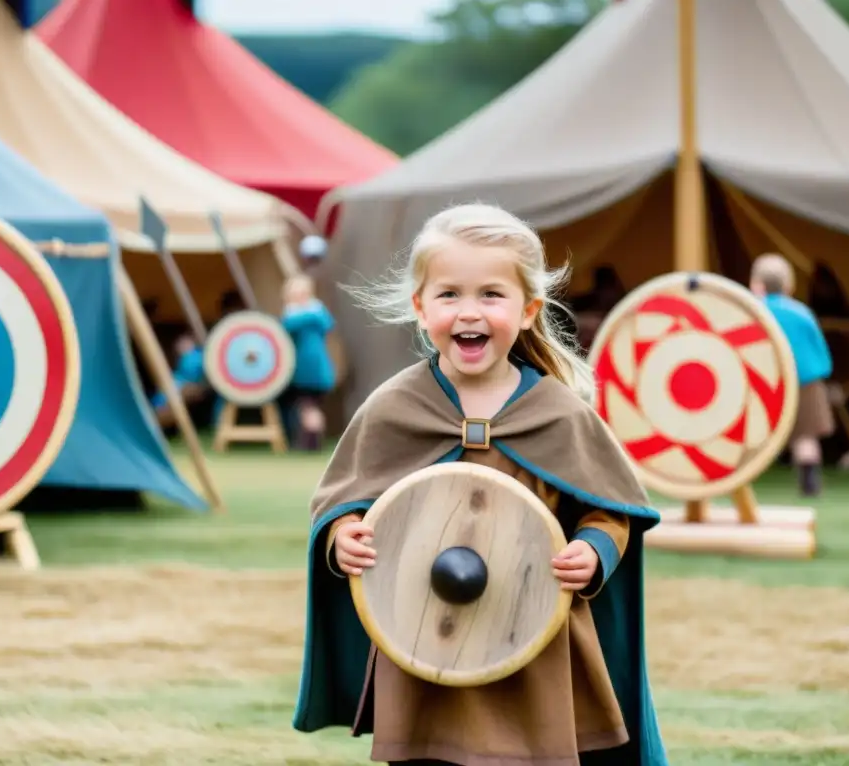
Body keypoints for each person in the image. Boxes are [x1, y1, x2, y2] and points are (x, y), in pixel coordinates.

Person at [292, 203, 669, 766]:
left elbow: (609, 512)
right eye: (449, 295)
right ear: (421, 308)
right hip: (423, 637)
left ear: (527, 310)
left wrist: (592, 552)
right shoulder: (395, 409)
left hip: (533, 638)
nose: (470, 311)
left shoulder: (558, 413)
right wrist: (343, 535)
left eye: (492, 295)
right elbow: (346, 499)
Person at [749, 254, 835, 496]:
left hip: (764, 384)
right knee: (805, 436)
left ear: (757, 285)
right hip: (806, 381)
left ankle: (745, 479)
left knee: (753, 434)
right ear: (789, 285)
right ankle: (809, 482)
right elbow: (821, 352)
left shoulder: (755, 312)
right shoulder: (802, 312)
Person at [280, 273, 337, 451]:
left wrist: (305, 313)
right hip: (308, 373)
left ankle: (311, 444)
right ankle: (310, 443)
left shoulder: (313, 314)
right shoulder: (313, 314)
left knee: (309, 409)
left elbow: (289, 324)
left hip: (311, 373)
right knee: (308, 409)